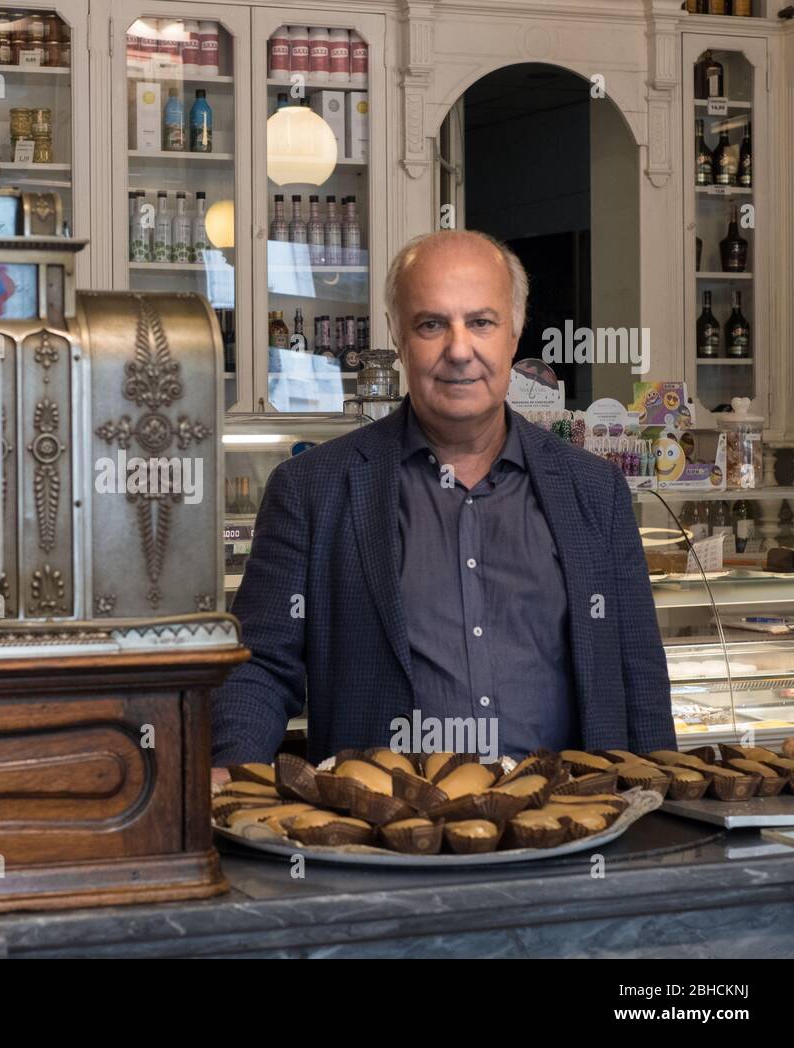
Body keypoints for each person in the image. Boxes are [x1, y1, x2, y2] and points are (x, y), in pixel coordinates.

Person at [211, 229, 674, 771]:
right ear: (397, 335)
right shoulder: (312, 489)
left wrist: (663, 818)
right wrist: (230, 778)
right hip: (386, 834)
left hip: (571, 826)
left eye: (481, 322)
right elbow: (260, 664)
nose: (459, 350)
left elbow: (639, 675)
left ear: (515, 331)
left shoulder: (596, 491)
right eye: (432, 324)